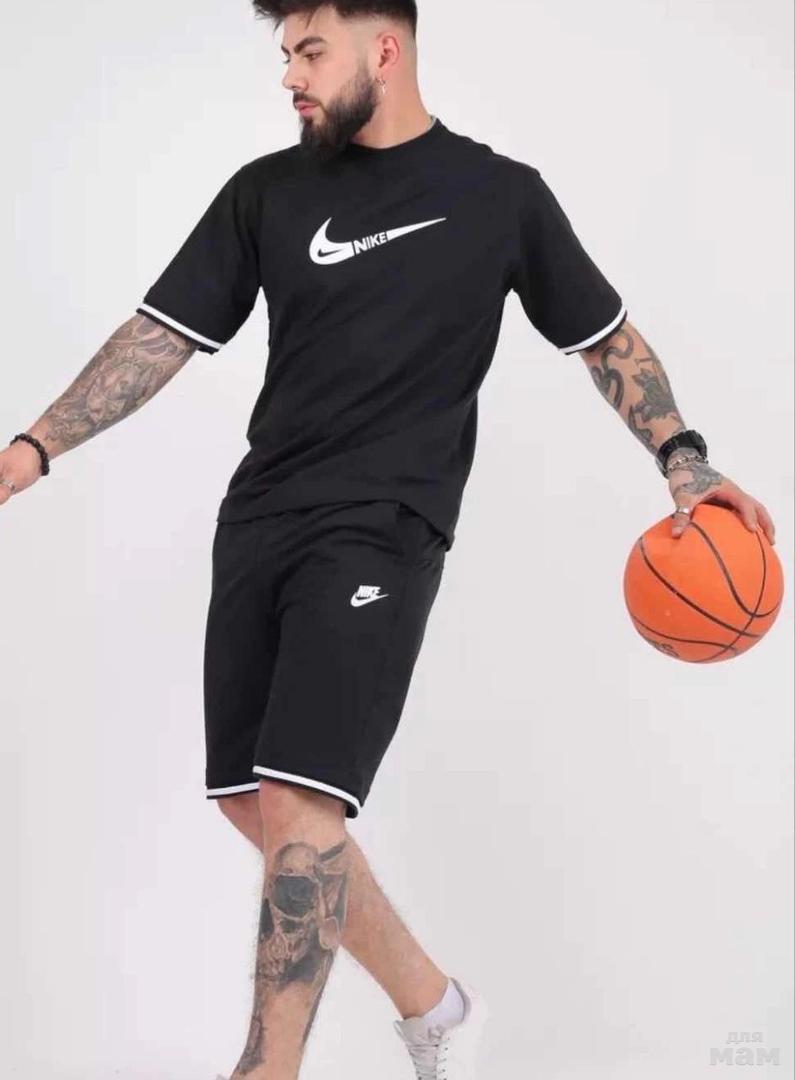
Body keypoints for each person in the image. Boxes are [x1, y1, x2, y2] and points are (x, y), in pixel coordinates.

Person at [0, 2, 777, 1078]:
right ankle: (435, 1004)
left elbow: (607, 343)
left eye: (310, 51)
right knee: (253, 800)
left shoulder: (499, 195)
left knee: (301, 800)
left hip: (384, 524)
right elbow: (158, 337)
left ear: (384, 48)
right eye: (285, 54)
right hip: (259, 516)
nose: (290, 76)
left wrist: (683, 460)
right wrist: (33, 447)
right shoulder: (265, 193)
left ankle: (265, 1070)